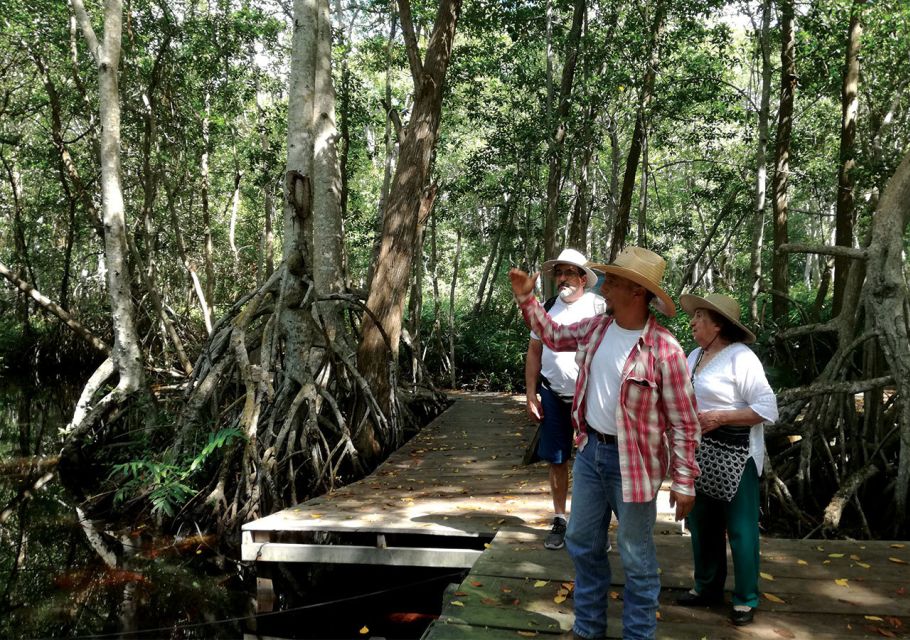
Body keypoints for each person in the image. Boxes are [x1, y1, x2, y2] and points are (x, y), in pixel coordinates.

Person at [509, 246, 701, 640]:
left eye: (613, 281)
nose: (605, 288)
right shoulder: (597, 328)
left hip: (635, 464)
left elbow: (684, 423)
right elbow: (551, 334)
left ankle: (638, 634)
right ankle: (589, 628)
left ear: (635, 291)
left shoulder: (666, 350)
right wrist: (527, 298)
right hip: (591, 452)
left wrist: (685, 481)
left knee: (636, 556)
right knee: (581, 540)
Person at [675, 293, 778, 627]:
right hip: (700, 453)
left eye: (700, 317)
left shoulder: (741, 358)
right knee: (702, 523)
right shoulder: (693, 356)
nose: (692, 322)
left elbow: (767, 409)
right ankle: (706, 587)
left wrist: (720, 416)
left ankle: (746, 598)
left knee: (740, 528)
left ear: (718, 324)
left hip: (738, 457)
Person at [524, 249, 604, 551]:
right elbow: (534, 352)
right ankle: (560, 519)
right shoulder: (546, 308)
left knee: (595, 458)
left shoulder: (600, 307)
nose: (562, 278)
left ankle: (594, 524)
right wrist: (531, 393)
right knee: (556, 458)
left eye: (569, 272)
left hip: (590, 395)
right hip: (552, 393)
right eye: (558, 273)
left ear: (583, 278)